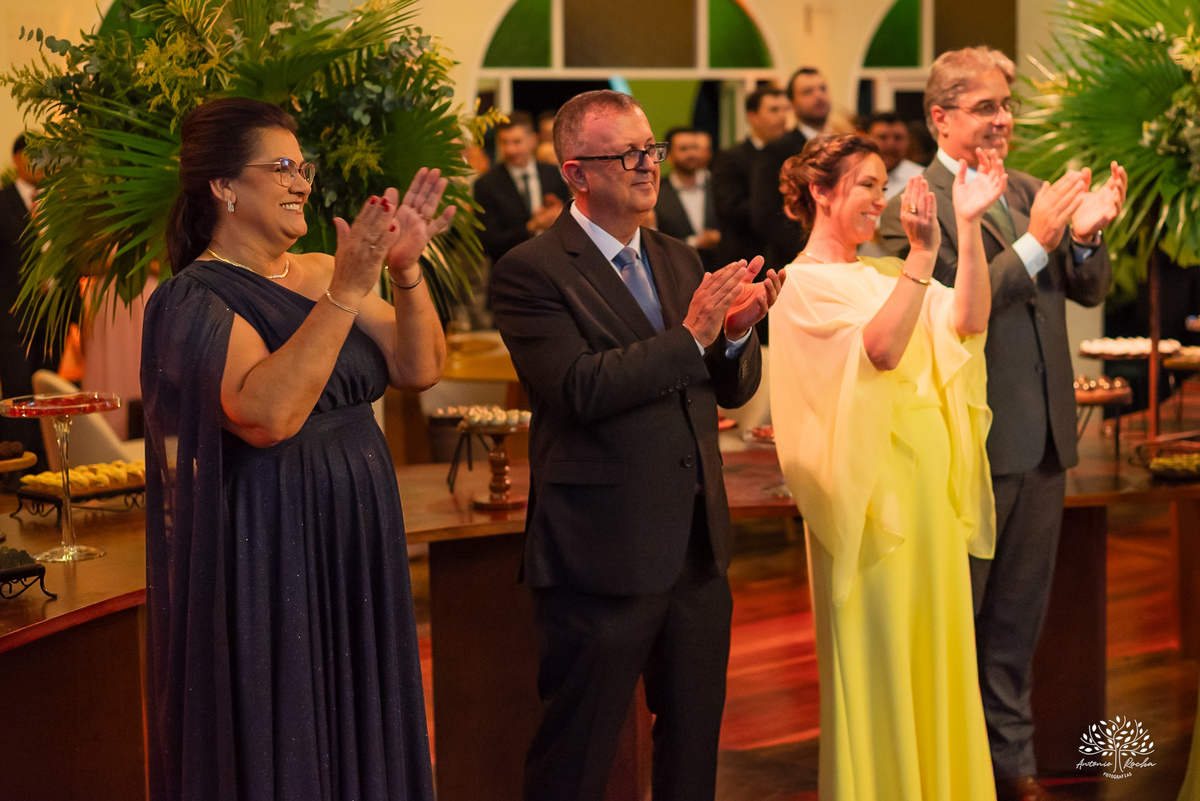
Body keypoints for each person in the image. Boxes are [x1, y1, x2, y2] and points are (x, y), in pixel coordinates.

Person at [141, 96, 455, 801]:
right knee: (292, 719)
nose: (301, 183)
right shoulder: (192, 299)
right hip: (271, 531)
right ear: (224, 186)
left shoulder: (317, 268)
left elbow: (420, 367)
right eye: (281, 167)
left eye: (302, 167)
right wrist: (345, 293)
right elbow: (268, 416)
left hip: (358, 520)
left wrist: (405, 272)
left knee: (362, 706)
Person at [489, 89, 784, 801]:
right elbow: (578, 388)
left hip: (696, 546)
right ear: (576, 173)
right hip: (601, 550)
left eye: (650, 149)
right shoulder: (532, 270)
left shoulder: (679, 257)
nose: (649, 165)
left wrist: (735, 334)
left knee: (692, 748)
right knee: (578, 754)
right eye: (627, 155)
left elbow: (727, 390)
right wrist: (693, 335)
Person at [879, 46, 1127, 801]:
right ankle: (955, 773)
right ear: (940, 117)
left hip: (1045, 437)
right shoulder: (913, 204)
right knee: (961, 622)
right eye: (985, 106)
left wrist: (1084, 236)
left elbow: (1087, 288)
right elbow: (953, 314)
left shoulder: (1027, 189)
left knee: (1019, 623)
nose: (1002, 120)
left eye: (1006, 106)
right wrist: (1038, 241)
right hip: (968, 445)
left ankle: (1012, 767)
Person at [771, 132, 1006, 799]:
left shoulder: (884, 273)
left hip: (927, 495)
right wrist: (922, 258)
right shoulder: (800, 285)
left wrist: (968, 225)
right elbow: (881, 350)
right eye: (867, 185)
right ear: (820, 191)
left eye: (884, 185)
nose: (881, 200)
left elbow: (969, 319)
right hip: (870, 505)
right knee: (880, 654)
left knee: (936, 648)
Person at [750, 67, 832, 276]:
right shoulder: (778, 149)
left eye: (822, 89)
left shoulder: (837, 146)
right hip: (793, 261)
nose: (818, 96)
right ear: (792, 104)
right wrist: (812, 250)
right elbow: (765, 214)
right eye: (808, 92)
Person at [0, 135, 50, 467]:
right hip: (12, 315)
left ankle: (48, 466)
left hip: (54, 315)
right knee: (19, 392)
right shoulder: (2, 202)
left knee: (48, 390)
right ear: (18, 159)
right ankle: (18, 468)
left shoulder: (57, 203)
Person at [473, 111, 570, 264]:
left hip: (555, 262)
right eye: (504, 142)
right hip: (510, 265)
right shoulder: (486, 184)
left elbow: (569, 218)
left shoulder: (552, 173)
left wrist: (559, 213)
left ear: (533, 140)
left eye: (517, 142)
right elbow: (488, 242)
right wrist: (532, 226)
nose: (510, 150)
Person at [711, 86, 790, 269]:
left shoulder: (790, 154)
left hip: (784, 255)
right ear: (752, 116)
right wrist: (775, 207)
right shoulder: (731, 157)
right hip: (744, 258)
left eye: (785, 109)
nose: (782, 117)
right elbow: (729, 208)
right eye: (774, 110)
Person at [654, 126, 721, 271]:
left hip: (718, 268)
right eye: (684, 149)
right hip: (675, 270)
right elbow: (655, 240)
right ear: (669, 156)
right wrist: (695, 242)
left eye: (695, 148)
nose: (691, 153)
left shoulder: (718, 185)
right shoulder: (656, 192)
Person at [862, 112, 925, 200]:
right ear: (867, 140)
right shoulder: (855, 175)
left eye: (898, 138)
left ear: (908, 141)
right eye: (882, 137)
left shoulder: (921, 178)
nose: (890, 144)